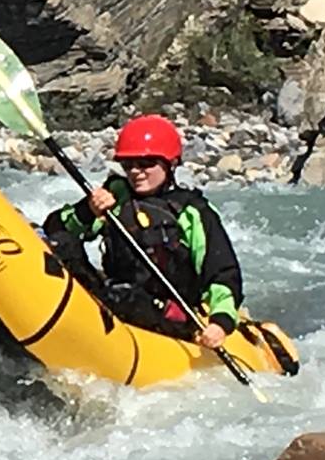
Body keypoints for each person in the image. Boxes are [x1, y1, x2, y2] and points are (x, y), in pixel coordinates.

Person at [43, 114, 244, 351]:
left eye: (146, 163)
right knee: (63, 246)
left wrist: (220, 324)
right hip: (116, 295)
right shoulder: (116, 195)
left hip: (171, 312)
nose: (136, 172)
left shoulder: (192, 211)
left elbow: (223, 274)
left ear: (170, 164)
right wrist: (89, 210)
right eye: (128, 165)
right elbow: (55, 229)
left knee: (125, 297)